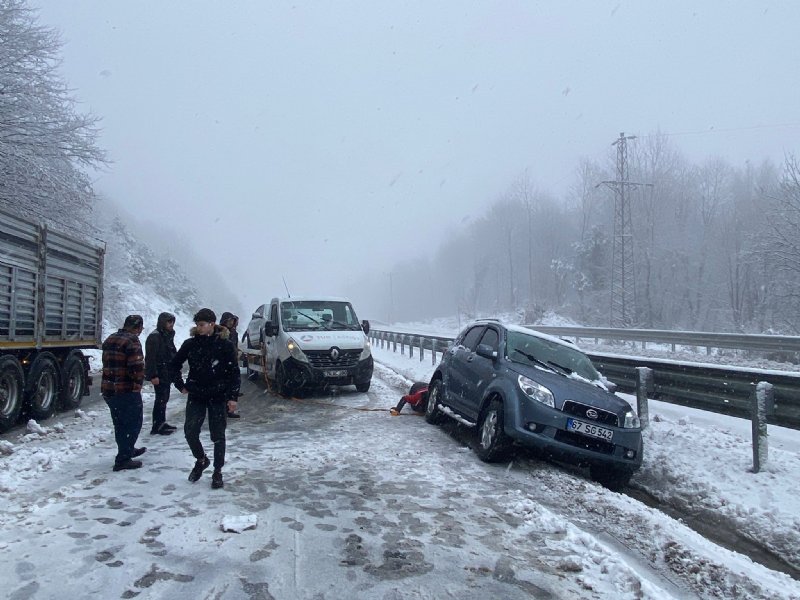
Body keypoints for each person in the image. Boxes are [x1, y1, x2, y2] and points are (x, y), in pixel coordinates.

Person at [171, 308, 240, 489]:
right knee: (190, 431)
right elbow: (174, 365)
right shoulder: (190, 344)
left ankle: (218, 472)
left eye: (202, 325)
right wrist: (180, 384)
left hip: (218, 395)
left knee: (218, 435)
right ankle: (201, 460)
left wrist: (232, 397)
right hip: (196, 394)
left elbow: (234, 372)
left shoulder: (224, 345)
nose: (199, 328)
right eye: (197, 325)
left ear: (212, 324)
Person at [101, 314, 147, 471]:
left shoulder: (111, 339)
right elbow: (136, 367)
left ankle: (127, 449)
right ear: (138, 327)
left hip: (109, 389)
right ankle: (123, 459)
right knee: (133, 423)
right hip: (126, 390)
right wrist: (138, 383)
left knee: (120, 423)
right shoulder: (132, 341)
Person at [144, 312, 179, 435]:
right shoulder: (155, 337)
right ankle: (157, 425)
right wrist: (153, 375)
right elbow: (150, 358)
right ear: (162, 322)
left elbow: (171, 352)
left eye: (172, 322)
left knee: (164, 398)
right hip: (160, 372)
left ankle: (161, 422)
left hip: (166, 372)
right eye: (169, 322)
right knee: (160, 399)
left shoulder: (167, 335)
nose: (171, 325)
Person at [220, 311, 243, 415]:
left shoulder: (234, 332)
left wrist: (237, 353)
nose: (231, 322)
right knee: (224, 387)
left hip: (232, 362)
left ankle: (229, 410)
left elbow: (234, 345)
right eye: (229, 320)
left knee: (231, 385)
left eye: (232, 320)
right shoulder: (220, 331)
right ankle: (223, 409)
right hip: (222, 363)